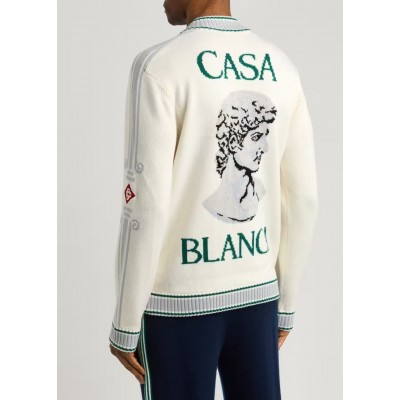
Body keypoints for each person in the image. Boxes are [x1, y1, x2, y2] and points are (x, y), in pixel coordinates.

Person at [108, 0, 319, 399]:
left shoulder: (158, 66)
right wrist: (287, 304)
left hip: (177, 303)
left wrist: (125, 321)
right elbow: (303, 197)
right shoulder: (282, 66)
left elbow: (145, 205)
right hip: (259, 294)